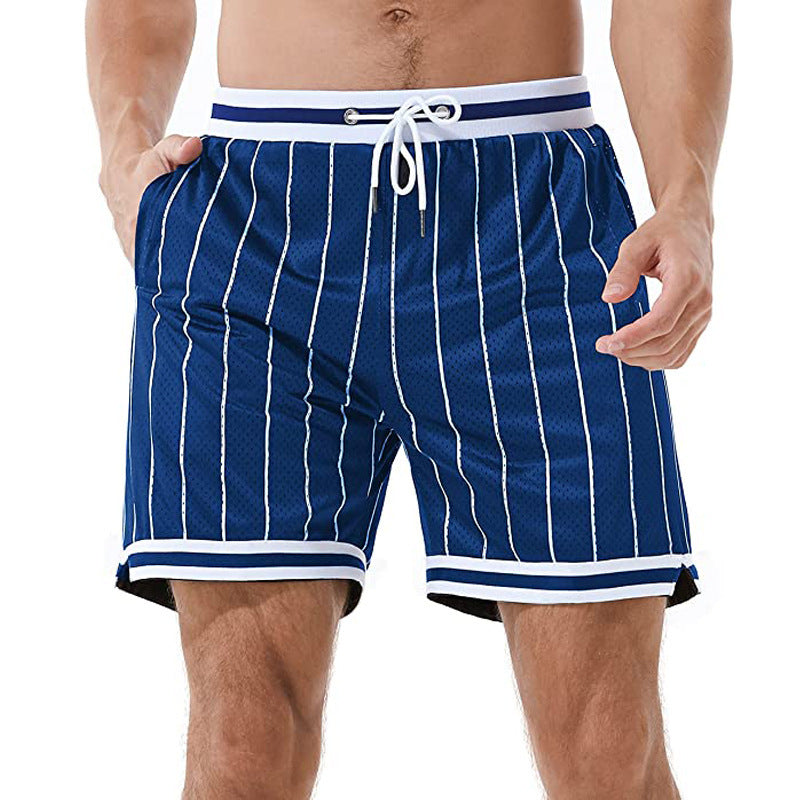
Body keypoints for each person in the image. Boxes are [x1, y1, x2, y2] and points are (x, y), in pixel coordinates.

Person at [86, 1, 731, 797]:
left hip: (529, 216)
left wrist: (686, 198)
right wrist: (122, 155)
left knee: (607, 747)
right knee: (243, 744)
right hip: (255, 226)